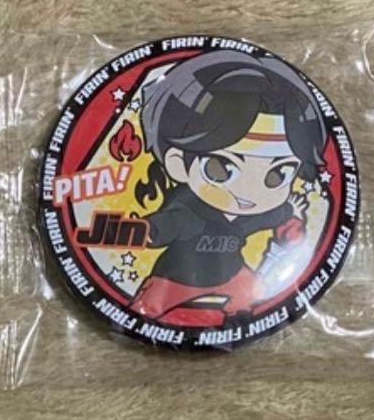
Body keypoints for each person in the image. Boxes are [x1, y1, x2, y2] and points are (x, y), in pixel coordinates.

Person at [129, 50, 328, 327]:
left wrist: (290, 221)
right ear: (177, 164)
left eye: (278, 174)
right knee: (143, 313)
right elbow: (162, 227)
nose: (250, 190)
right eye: (221, 167)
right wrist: (138, 231)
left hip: (233, 275)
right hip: (175, 280)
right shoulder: (188, 213)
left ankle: (239, 317)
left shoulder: (253, 214)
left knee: (251, 296)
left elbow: (277, 216)